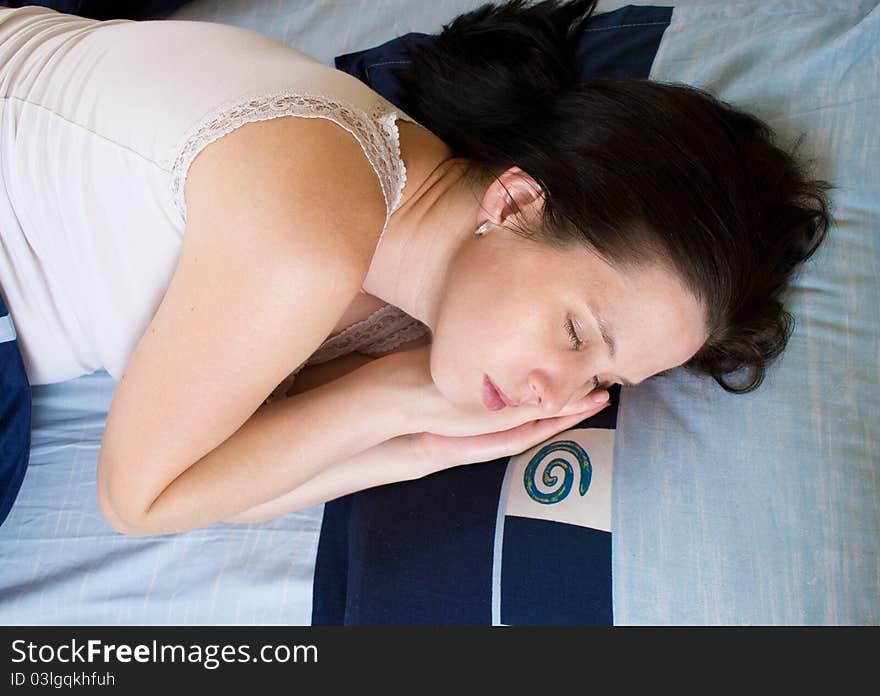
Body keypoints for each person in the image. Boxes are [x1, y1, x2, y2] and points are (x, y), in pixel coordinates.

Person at [0, 0, 831, 536]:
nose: (560, 393)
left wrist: (423, 446)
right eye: (578, 331)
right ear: (513, 203)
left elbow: (224, 482)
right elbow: (138, 500)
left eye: (607, 376)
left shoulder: (425, 279)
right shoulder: (309, 239)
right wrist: (392, 397)